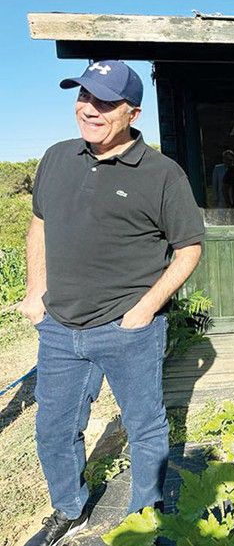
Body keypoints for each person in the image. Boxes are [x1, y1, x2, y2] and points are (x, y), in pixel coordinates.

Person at [18, 60, 204, 546]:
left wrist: (143, 311)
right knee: (54, 429)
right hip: (59, 327)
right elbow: (39, 223)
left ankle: (145, 518)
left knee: (144, 428)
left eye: (104, 102)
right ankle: (70, 510)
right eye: (84, 97)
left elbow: (188, 249)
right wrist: (35, 290)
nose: (89, 109)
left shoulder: (162, 174)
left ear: (132, 113)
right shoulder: (56, 157)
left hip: (127, 331)